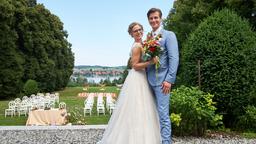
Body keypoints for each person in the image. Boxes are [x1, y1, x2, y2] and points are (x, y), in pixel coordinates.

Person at [98, 22, 161, 144]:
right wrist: (151, 62)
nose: (138, 32)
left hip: (141, 77)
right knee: (136, 106)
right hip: (137, 77)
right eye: (135, 31)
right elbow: (135, 65)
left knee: (142, 107)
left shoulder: (142, 44)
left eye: (140, 29)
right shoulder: (137, 46)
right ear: (131, 34)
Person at [146, 8, 179, 144]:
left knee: (163, 115)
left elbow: (174, 58)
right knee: (151, 114)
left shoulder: (169, 35)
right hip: (148, 81)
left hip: (162, 83)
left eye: (156, 18)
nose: (153, 20)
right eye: (151, 18)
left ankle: (166, 142)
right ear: (148, 20)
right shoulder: (148, 38)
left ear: (161, 18)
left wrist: (169, 80)